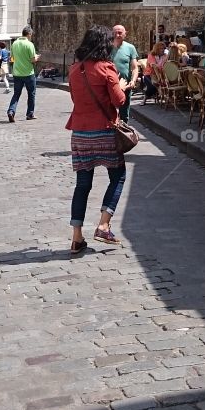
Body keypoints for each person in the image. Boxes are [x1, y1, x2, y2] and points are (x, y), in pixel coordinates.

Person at [67, 26, 128, 254]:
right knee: (118, 176)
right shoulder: (106, 68)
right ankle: (103, 224)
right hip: (104, 131)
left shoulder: (75, 69)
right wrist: (121, 86)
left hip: (80, 133)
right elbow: (119, 101)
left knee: (82, 184)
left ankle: (76, 237)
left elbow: (75, 98)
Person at [111, 24, 139, 123]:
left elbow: (135, 67)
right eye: (115, 33)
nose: (117, 35)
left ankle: (123, 135)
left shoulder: (130, 48)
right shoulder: (106, 47)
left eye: (120, 33)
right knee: (109, 113)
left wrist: (133, 81)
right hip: (109, 85)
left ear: (125, 34)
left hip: (125, 85)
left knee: (124, 114)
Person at [8, 26, 37, 121]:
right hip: (28, 73)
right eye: (31, 35)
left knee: (16, 94)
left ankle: (11, 111)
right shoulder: (30, 44)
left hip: (17, 73)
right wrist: (37, 58)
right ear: (29, 34)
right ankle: (30, 114)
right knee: (31, 94)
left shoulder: (14, 43)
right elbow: (33, 60)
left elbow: (12, 58)